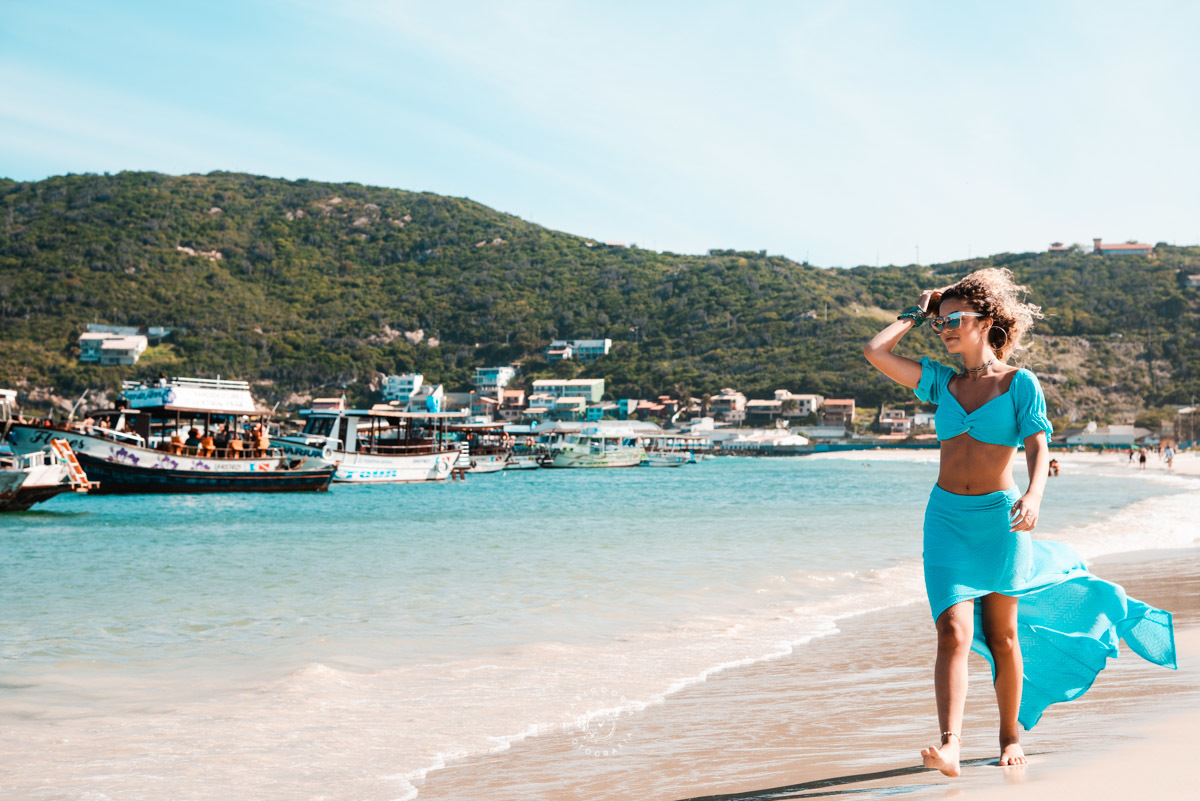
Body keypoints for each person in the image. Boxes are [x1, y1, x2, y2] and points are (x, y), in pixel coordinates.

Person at [864, 268, 1175, 777]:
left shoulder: (1018, 383)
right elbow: (875, 353)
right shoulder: (942, 382)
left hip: (999, 520)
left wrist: (1034, 494)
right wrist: (916, 314)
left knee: (1003, 636)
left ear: (986, 321)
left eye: (955, 319)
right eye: (940, 321)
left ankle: (1009, 736)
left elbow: (1037, 444)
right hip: (945, 520)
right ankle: (951, 745)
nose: (944, 328)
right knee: (952, 631)